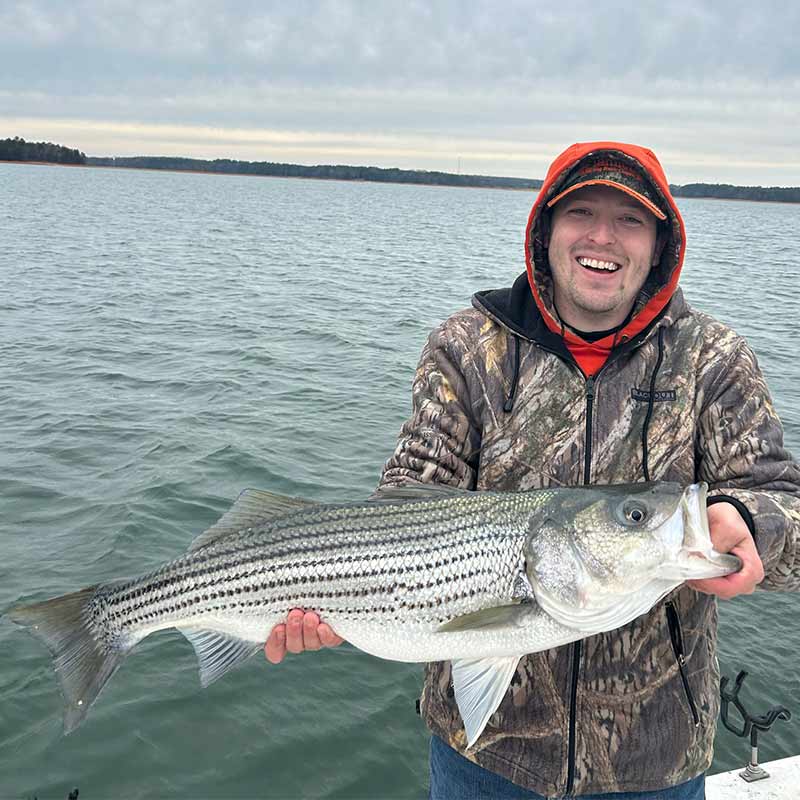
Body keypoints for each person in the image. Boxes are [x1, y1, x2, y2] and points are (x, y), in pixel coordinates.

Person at [264, 141, 800, 798]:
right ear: (545, 231)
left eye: (630, 220)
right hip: (483, 760)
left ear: (659, 245)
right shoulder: (466, 348)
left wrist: (752, 522)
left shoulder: (711, 360)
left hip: (652, 762)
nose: (603, 237)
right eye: (581, 213)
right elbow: (410, 495)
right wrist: (337, 586)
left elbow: (786, 508)